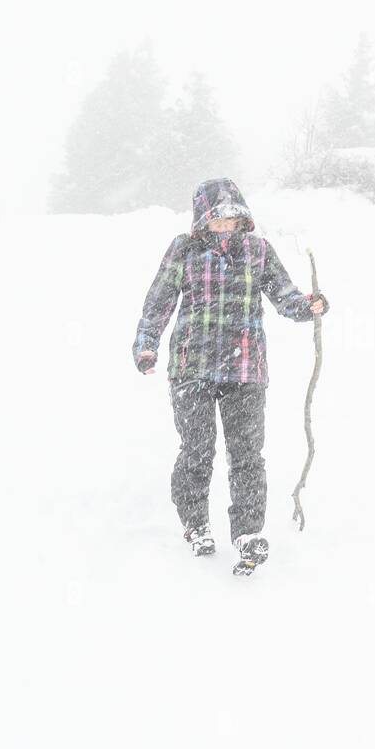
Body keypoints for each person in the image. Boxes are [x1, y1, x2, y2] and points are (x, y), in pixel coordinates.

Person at [133, 178, 328, 576]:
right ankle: (196, 524)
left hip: (245, 369)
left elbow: (284, 295)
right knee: (197, 451)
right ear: (203, 221)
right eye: (217, 220)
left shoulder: (257, 251)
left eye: (232, 219)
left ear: (242, 218)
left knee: (247, 456)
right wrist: (146, 344)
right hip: (192, 368)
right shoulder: (184, 250)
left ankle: (247, 533)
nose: (225, 227)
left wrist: (308, 306)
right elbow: (159, 302)